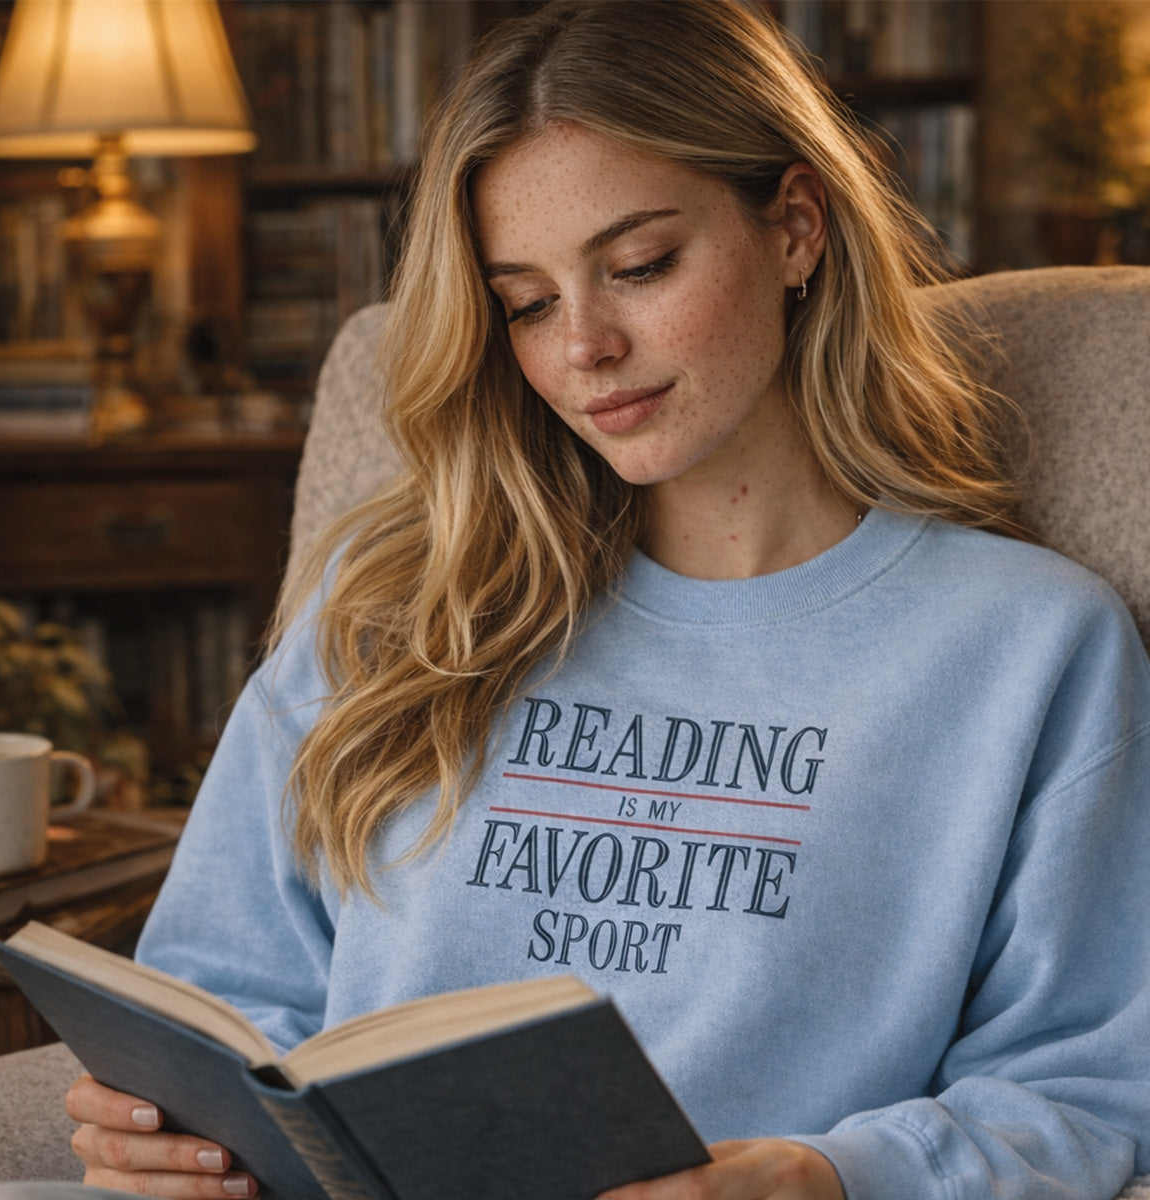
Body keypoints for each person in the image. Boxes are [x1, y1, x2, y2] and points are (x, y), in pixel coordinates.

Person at [65, 2, 1150, 1198]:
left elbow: (1090, 1087)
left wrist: (820, 1179)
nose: (583, 346)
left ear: (795, 228)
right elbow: (223, 993)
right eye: (525, 301)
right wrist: (160, 1134)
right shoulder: (394, 601)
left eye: (638, 267)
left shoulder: (1026, 646)